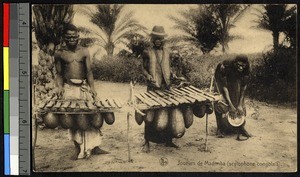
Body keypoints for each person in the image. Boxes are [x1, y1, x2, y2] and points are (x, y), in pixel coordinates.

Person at [54, 24, 109, 160]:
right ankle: (77, 147)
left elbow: (89, 72)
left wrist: (93, 88)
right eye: (69, 37)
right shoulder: (59, 53)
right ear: (64, 38)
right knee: (73, 119)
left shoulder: (84, 51)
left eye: (74, 36)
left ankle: (95, 147)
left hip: (83, 88)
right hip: (69, 89)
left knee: (91, 116)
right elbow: (59, 74)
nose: (72, 39)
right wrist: (60, 87)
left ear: (78, 37)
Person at [141, 26, 183, 152]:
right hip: (153, 87)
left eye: (160, 38)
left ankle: (169, 140)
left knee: (169, 112)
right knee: (150, 114)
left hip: (166, 86)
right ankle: (147, 141)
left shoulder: (168, 51)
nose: (158, 40)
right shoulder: (146, 52)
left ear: (163, 39)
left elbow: (167, 67)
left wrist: (173, 75)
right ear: (152, 39)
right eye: (156, 38)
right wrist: (148, 76)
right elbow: (142, 68)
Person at [214, 55, 252, 141]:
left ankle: (240, 127)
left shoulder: (247, 67)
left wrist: (239, 105)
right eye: (238, 65)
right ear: (234, 63)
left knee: (239, 103)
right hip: (221, 80)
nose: (241, 67)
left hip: (234, 78)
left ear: (246, 64)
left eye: (243, 65)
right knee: (219, 103)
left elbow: (244, 87)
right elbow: (224, 88)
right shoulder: (225, 66)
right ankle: (220, 129)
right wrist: (230, 106)